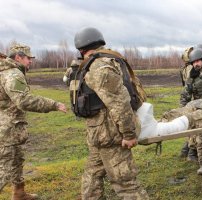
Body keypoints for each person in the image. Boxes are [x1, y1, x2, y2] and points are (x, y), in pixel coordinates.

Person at [73, 27, 149, 200]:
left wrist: (128, 134)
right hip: (102, 136)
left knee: (125, 184)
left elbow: (120, 104)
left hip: (109, 135)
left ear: (82, 48)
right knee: (94, 175)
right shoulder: (98, 64)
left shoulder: (99, 67)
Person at [0, 44, 67, 199]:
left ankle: (19, 192)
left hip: (9, 127)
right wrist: (54, 104)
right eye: (28, 58)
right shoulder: (13, 74)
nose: (30, 61)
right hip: (7, 129)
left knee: (17, 160)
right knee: (4, 168)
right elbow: (24, 101)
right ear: (18, 57)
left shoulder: (5, 72)